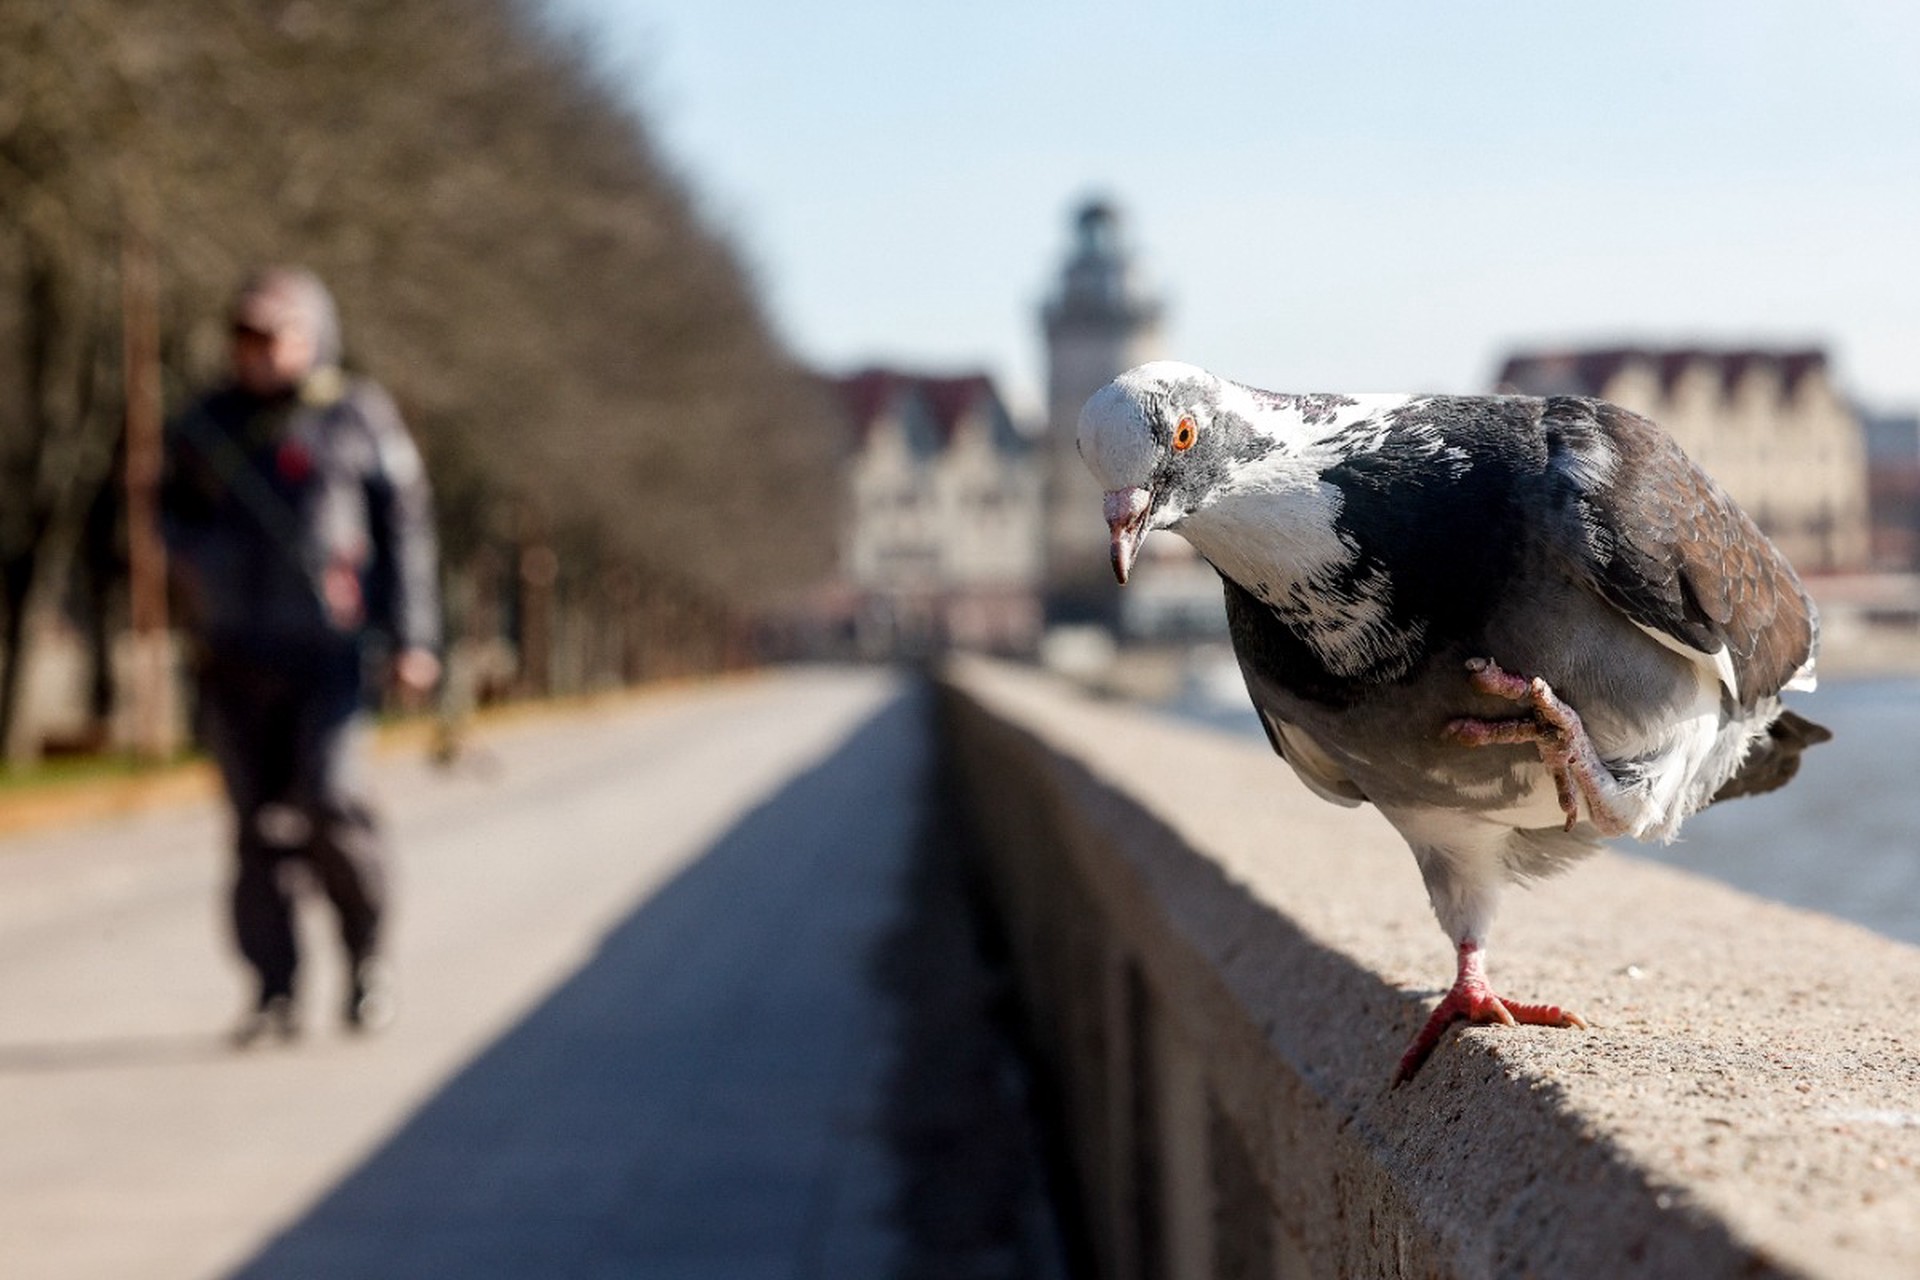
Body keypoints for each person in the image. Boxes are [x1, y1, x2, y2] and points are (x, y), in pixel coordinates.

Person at [161, 267, 441, 1046]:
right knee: (256, 831)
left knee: (332, 801)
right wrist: (201, 562)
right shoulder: (204, 424)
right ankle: (274, 990)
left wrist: (415, 638)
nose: (254, 350)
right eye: (242, 334)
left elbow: (407, 533)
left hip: (329, 654)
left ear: (311, 336)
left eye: (271, 334)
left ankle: (365, 964)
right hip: (235, 653)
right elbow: (162, 517)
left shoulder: (358, 416)